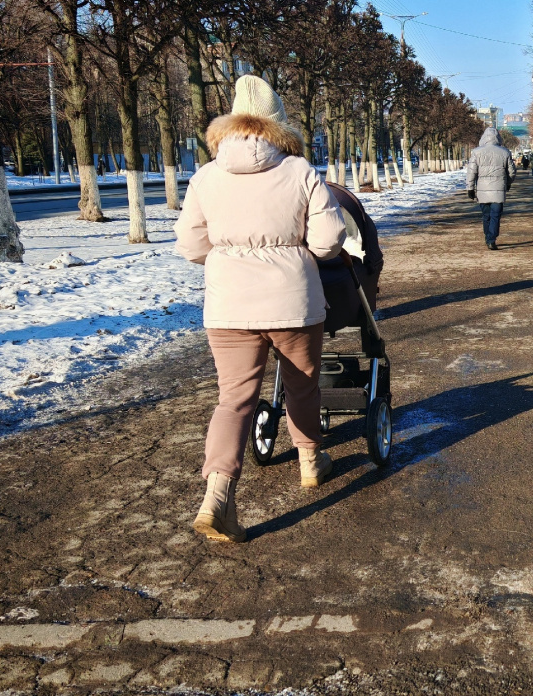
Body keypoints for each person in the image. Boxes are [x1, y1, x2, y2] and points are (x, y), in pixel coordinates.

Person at [175, 75, 347, 543]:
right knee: (302, 386)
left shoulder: (206, 176)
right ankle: (310, 462)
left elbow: (190, 244)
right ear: (279, 123)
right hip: (294, 303)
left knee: (233, 400)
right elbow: (329, 241)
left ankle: (216, 497)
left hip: (229, 307)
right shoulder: (299, 171)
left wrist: (229, 254)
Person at [466, 127, 515, 250]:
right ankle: (491, 239)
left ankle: (488, 236)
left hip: (482, 190)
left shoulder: (476, 152)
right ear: (498, 138)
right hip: (498, 189)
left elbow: (471, 172)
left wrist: (470, 188)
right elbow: (512, 172)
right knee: (495, 215)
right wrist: (508, 183)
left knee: (486, 215)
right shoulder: (505, 152)